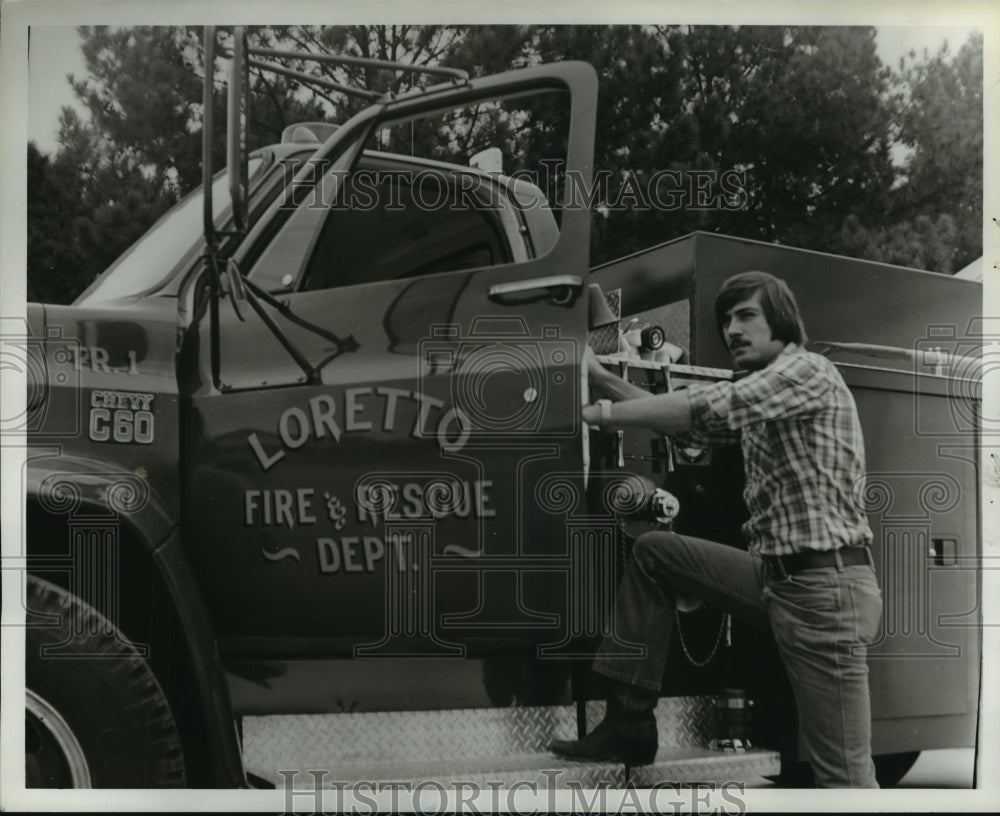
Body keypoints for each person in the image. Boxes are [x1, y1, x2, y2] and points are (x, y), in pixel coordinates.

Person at [551, 271, 883, 788]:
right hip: (778, 583)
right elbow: (686, 425)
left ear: (783, 321)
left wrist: (597, 412)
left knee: (844, 779)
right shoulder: (763, 395)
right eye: (725, 319)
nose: (732, 328)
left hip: (825, 595)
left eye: (747, 315)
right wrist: (597, 376)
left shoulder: (806, 371)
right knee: (655, 553)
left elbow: (699, 409)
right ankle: (629, 725)